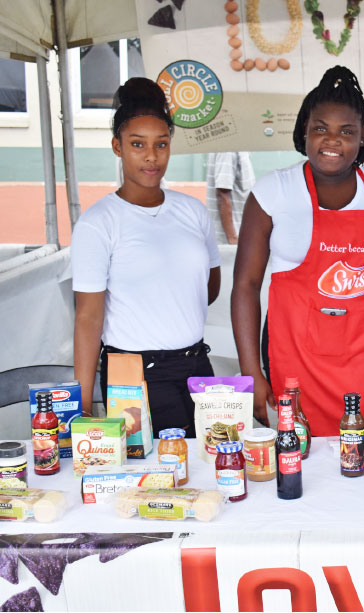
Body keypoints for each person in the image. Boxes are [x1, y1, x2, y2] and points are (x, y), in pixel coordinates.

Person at [232, 66, 364, 434]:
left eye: (346, 131)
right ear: (304, 129)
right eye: (321, 128)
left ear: (363, 136)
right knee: (305, 453)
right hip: (298, 359)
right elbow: (245, 285)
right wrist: (250, 371)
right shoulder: (273, 191)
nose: (332, 141)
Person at [72, 77, 221, 436]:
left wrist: (165, 303)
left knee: (212, 459)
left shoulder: (193, 211)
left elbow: (209, 287)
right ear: (117, 146)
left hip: (196, 367)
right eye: (137, 144)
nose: (151, 156)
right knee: (153, 469)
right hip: (133, 375)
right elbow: (88, 318)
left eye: (161, 144)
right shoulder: (98, 223)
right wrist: (81, 406)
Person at [205, 152, 256, 244]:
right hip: (230, 241)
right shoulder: (228, 151)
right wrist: (233, 240)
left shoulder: (240, 150)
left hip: (240, 236)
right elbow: (222, 194)